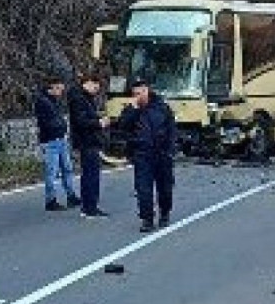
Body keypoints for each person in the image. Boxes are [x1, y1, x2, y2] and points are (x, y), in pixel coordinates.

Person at [115, 78, 178, 233]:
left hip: (162, 153)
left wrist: (170, 149)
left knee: (165, 187)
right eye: (135, 93)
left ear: (147, 90)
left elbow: (172, 130)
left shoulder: (162, 107)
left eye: (141, 92)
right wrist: (133, 110)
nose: (138, 96)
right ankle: (147, 219)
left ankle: (164, 212)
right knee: (143, 188)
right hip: (142, 153)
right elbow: (123, 127)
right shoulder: (130, 109)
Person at [33, 76, 80, 211]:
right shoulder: (43, 102)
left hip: (60, 139)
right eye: (59, 88)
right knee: (51, 172)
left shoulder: (53, 101)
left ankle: (71, 196)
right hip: (50, 141)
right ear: (51, 88)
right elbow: (47, 122)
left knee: (67, 168)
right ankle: (50, 200)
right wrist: (60, 127)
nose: (61, 91)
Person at [69, 73, 111, 218]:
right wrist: (99, 123)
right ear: (87, 83)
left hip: (89, 140)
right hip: (87, 141)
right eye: (95, 86)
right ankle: (90, 208)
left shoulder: (84, 98)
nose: (96, 90)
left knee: (89, 175)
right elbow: (80, 121)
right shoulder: (79, 99)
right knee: (91, 175)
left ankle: (88, 206)